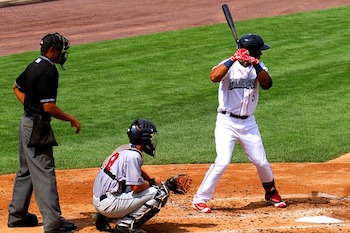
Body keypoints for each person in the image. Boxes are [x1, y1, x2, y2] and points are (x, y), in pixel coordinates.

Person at [192, 34, 286, 213]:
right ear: (252, 51)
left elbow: (267, 84)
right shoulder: (228, 65)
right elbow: (214, 77)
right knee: (222, 161)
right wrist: (233, 58)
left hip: (249, 123)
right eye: (259, 51)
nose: (261, 54)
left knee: (261, 161)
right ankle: (200, 199)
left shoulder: (258, 66)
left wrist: (256, 64)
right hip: (226, 122)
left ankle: (271, 192)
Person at [8, 32, 81, 233]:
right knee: (44, 171)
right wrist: (71, 119)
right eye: (60, 51)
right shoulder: (49, 70)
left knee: (26, 169)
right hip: (37, 128)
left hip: (26, 123)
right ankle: (53, 224)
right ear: (52, 50)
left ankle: (18, 216)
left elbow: (16, 87)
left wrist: (31, 106)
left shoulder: (34, 64)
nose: (62, 54)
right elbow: (48, 107)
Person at [93, 119, 169, 233]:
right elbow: (136, 187)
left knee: (131, 184)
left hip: (100, 199)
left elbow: (137, 172)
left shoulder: (125, 149)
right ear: (143, 138)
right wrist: (153, 182)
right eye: (150, 137)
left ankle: (104, 217)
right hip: (109, 204)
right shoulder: (134, 156)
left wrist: (149, 180)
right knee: (160, 192)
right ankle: (125, 226)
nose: (151, 140)